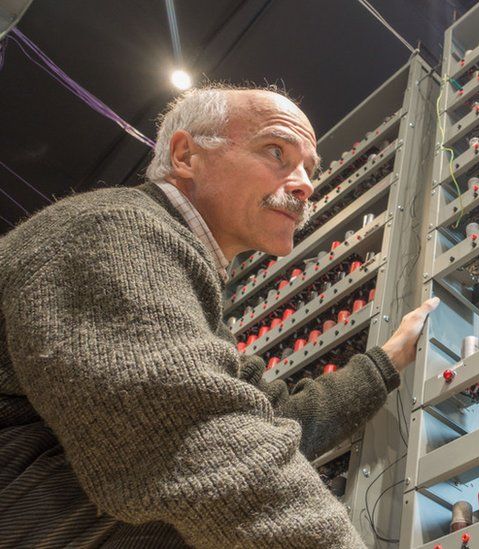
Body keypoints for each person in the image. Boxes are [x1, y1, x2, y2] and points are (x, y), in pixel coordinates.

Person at [0, 84, 437, 547]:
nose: (305, 184)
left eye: (310, 170)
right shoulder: (111, 229)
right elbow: (200, 440)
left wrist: (384, 362)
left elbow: (275, 419)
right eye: (276, 152)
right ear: (186, 155)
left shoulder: (176, 269)